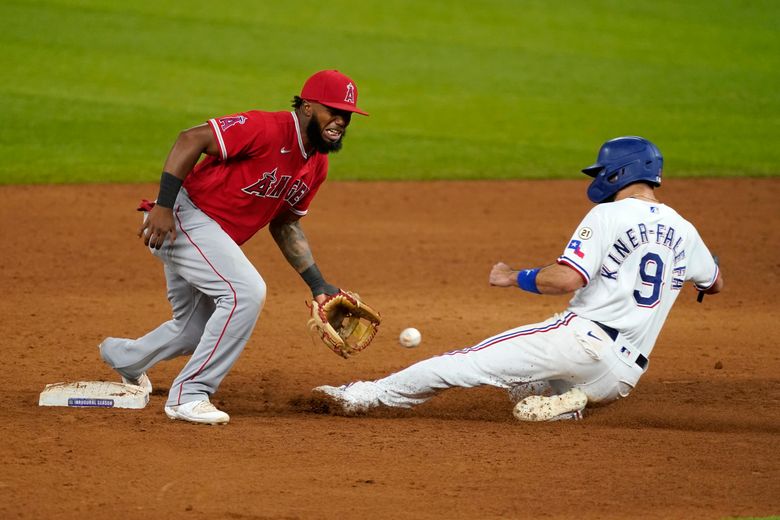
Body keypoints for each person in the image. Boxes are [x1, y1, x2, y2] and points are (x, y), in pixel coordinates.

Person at [314, 136, 723, 421]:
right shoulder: (685, 230)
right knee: (523, 389)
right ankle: (565, 403)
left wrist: (515, 277)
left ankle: (363, 396)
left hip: (581, 344)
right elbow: (714, 282)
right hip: (621, 378)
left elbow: (565, 280)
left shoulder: (608, 215)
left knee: (459, 364)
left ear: (620, 171)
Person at [99, 70, 370, 425]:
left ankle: (124, 357)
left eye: (346, 114)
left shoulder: (316, 163)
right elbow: (189, 139)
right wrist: (164, 205)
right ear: (306, 107)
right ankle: (190, 394)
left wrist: (318, 285)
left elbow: (286, 223)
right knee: (245, 291)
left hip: (208, 237)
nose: (340, 120)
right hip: (182, 218)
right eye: (332, 110)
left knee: (194, 328)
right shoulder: (266, 128)